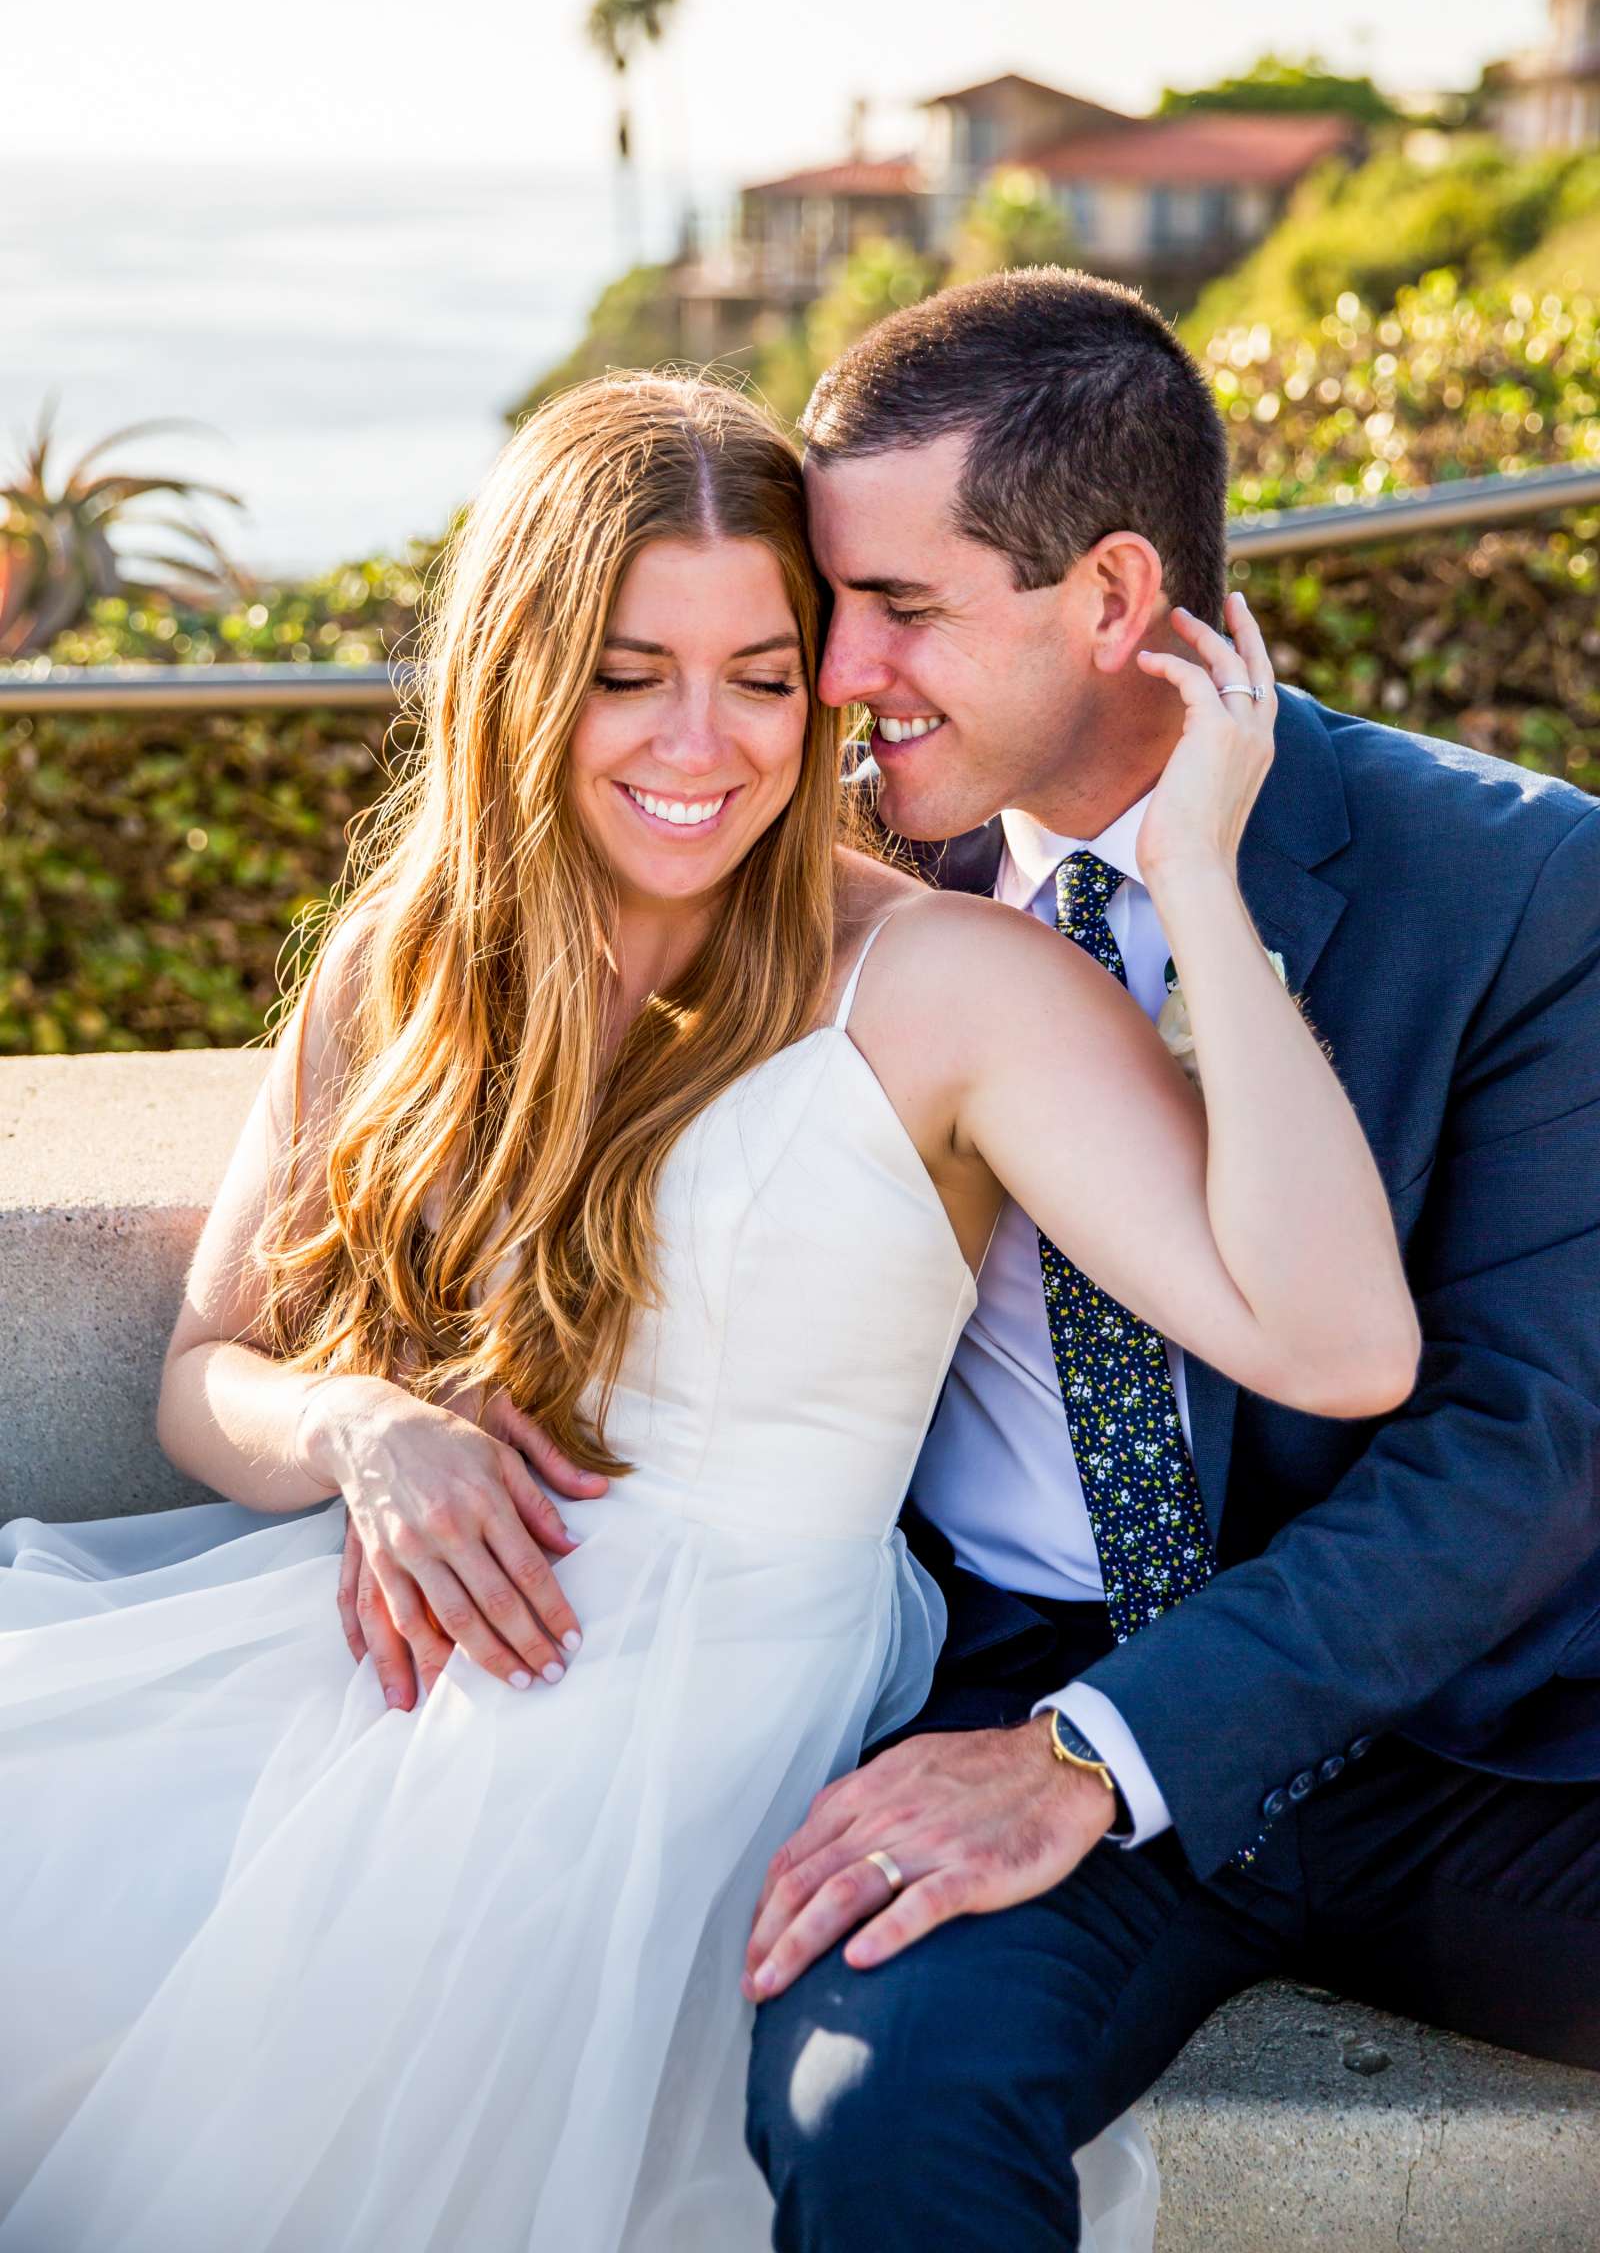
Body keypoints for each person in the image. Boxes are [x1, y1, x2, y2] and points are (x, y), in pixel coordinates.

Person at [0, 369, 1415, 2253]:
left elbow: (1335, 1345)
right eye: (628, 670)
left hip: (715, 1755)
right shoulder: (407, 964)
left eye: (764, 671)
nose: (707, 741)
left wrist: (1203, 891)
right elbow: (207, 1374)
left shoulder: (941, 984)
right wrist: (362, 1430)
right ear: (522, 668)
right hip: (365, 1694)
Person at [726, 269, 1600, 2253]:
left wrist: (1101, 1758)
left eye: (904, 610)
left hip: (1467, 1739)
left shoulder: (1521, 884)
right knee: (871, 2115)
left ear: (1112, 599)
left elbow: (1519, 1439)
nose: (837, 672)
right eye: (830, 600)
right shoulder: (820, 881)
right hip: (992, 1687)